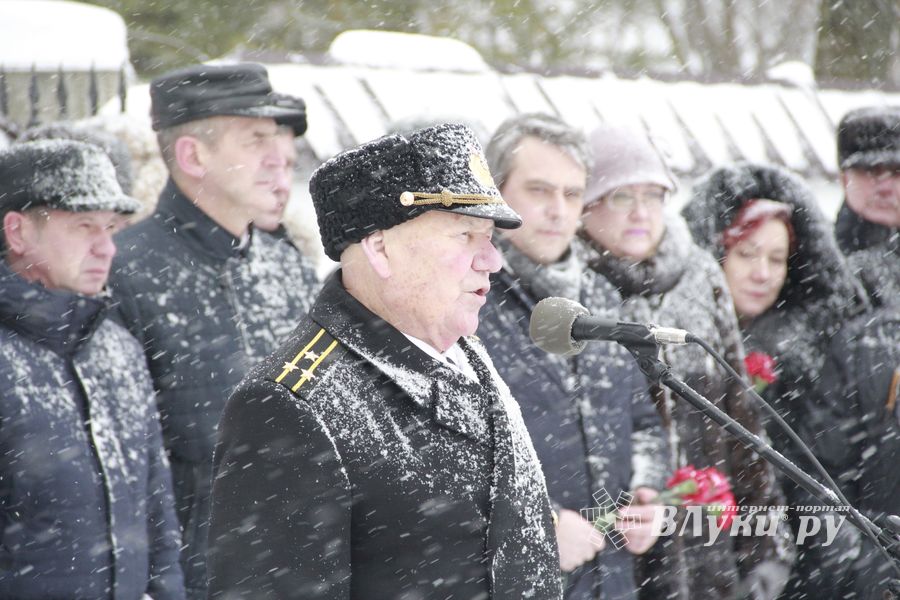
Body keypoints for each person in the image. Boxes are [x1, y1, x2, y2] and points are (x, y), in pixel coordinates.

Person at [206, 123, 561, 599]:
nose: (492, 260)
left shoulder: (464, 352)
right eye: (465, 235)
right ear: (379, 248)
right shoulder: (290, 405)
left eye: (490, 236)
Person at [107, 63, 319, 600]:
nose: (279, 155)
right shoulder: (122, 273)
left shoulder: (287, 267)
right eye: (255, 139)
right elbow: (125, 473)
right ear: (192, 156)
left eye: (278, 137)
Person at [580, 124, 791, 600]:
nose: (640, 212)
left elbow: (741, 420)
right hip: (613, 555)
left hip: (705, 556)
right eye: (621, 196)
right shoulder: (572, 293)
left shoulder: (699, 277)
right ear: (587, 203)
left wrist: (764, 548)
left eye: (653, 195)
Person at [478, 113, 668, 600]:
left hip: (611, 578)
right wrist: (534, 525)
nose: (558, 210)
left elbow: (642, 422)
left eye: (571, 193)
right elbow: (445, 456)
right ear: (496, 192)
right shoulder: (470, 300)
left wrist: (647, 492)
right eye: (539, 191)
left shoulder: (601, 298)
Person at [0, 140, 185, 599]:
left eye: (111, 228)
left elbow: (157, 520)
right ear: (18, 232)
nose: (106, 248)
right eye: (84, 227)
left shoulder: (119, 350)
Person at [682, 161, 870, 599]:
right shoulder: (684, 345)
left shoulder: (811, 355)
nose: (762, 273)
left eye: (776, 258)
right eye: (747, 254)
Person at [833, 106, 900, 309]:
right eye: (871, 170)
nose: (884, 187)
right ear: (844, 179)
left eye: (897, 172)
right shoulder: (811, 263)